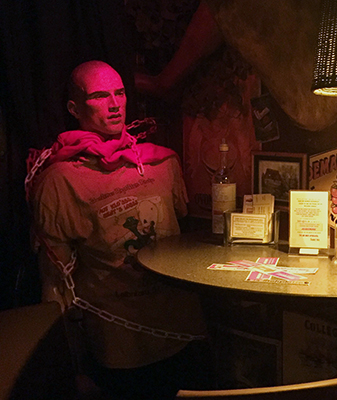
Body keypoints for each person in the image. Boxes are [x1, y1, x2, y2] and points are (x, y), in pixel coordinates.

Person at [27, 60, 213, 399]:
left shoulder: (162, 163)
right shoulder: (59, 183)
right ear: (74, 108)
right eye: (99, 96)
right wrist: (73, 367)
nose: (114, 104)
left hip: (181, 333)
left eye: (120, 93)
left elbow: (185, 245)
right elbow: (55, 285)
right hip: (120, 348)